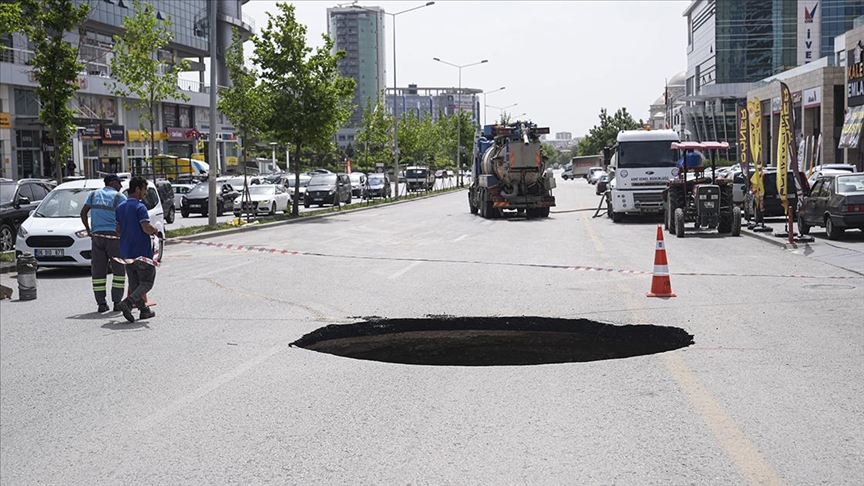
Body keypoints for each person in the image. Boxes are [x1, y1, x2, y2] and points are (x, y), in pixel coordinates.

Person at [80, 173, 126, 313]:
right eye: (119, 183)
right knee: (119, 270)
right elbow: (126, 217)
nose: (121, 186)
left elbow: (83, 212)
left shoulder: (93, 195)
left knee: (98, 271)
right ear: (112, 183)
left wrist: (88, 229)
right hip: (114, 238)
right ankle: (117, 302)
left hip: (97, 237)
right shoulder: (120, 197)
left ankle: (101, 304)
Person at [115, 176, 158, 323]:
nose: (145, 193)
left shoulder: (120, 208)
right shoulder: (140, 207)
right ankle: (127, 303)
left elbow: (118, 230)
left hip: (126, 253)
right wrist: (155, 230)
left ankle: (144, 311)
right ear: (138, 189)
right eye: (144, 189)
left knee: (135, 284)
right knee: (147, 283)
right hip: (141, 253)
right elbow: (146, 228)